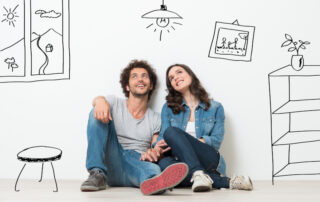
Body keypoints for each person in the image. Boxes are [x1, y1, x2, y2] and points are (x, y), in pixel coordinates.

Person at [80, 60, 188, 195]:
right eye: (135, 76)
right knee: (97, 112)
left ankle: (153, 181)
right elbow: (98, 102)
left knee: (152, 169)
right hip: (110, 161)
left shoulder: (156, 118)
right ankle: (96, 173)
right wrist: (99, 100)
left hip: (135, 166)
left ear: (151, 86)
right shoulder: (114, 102)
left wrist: (154, 152)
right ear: (127, 86)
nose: (140, 79)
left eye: (144, 76)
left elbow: (155, 146)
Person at [140, 64, 253, 192]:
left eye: (179, 72)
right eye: (171, 78)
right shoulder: (168, 108)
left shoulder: (215, 107)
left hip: (208, 159)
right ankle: (225, 181)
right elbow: (162, 137)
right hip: (180, 161)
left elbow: (215, 141)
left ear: (190, 75)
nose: (175, 78)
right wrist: (156, 148)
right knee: (165, 164)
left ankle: (198, 172)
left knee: (172, 132)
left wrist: (181, 141)